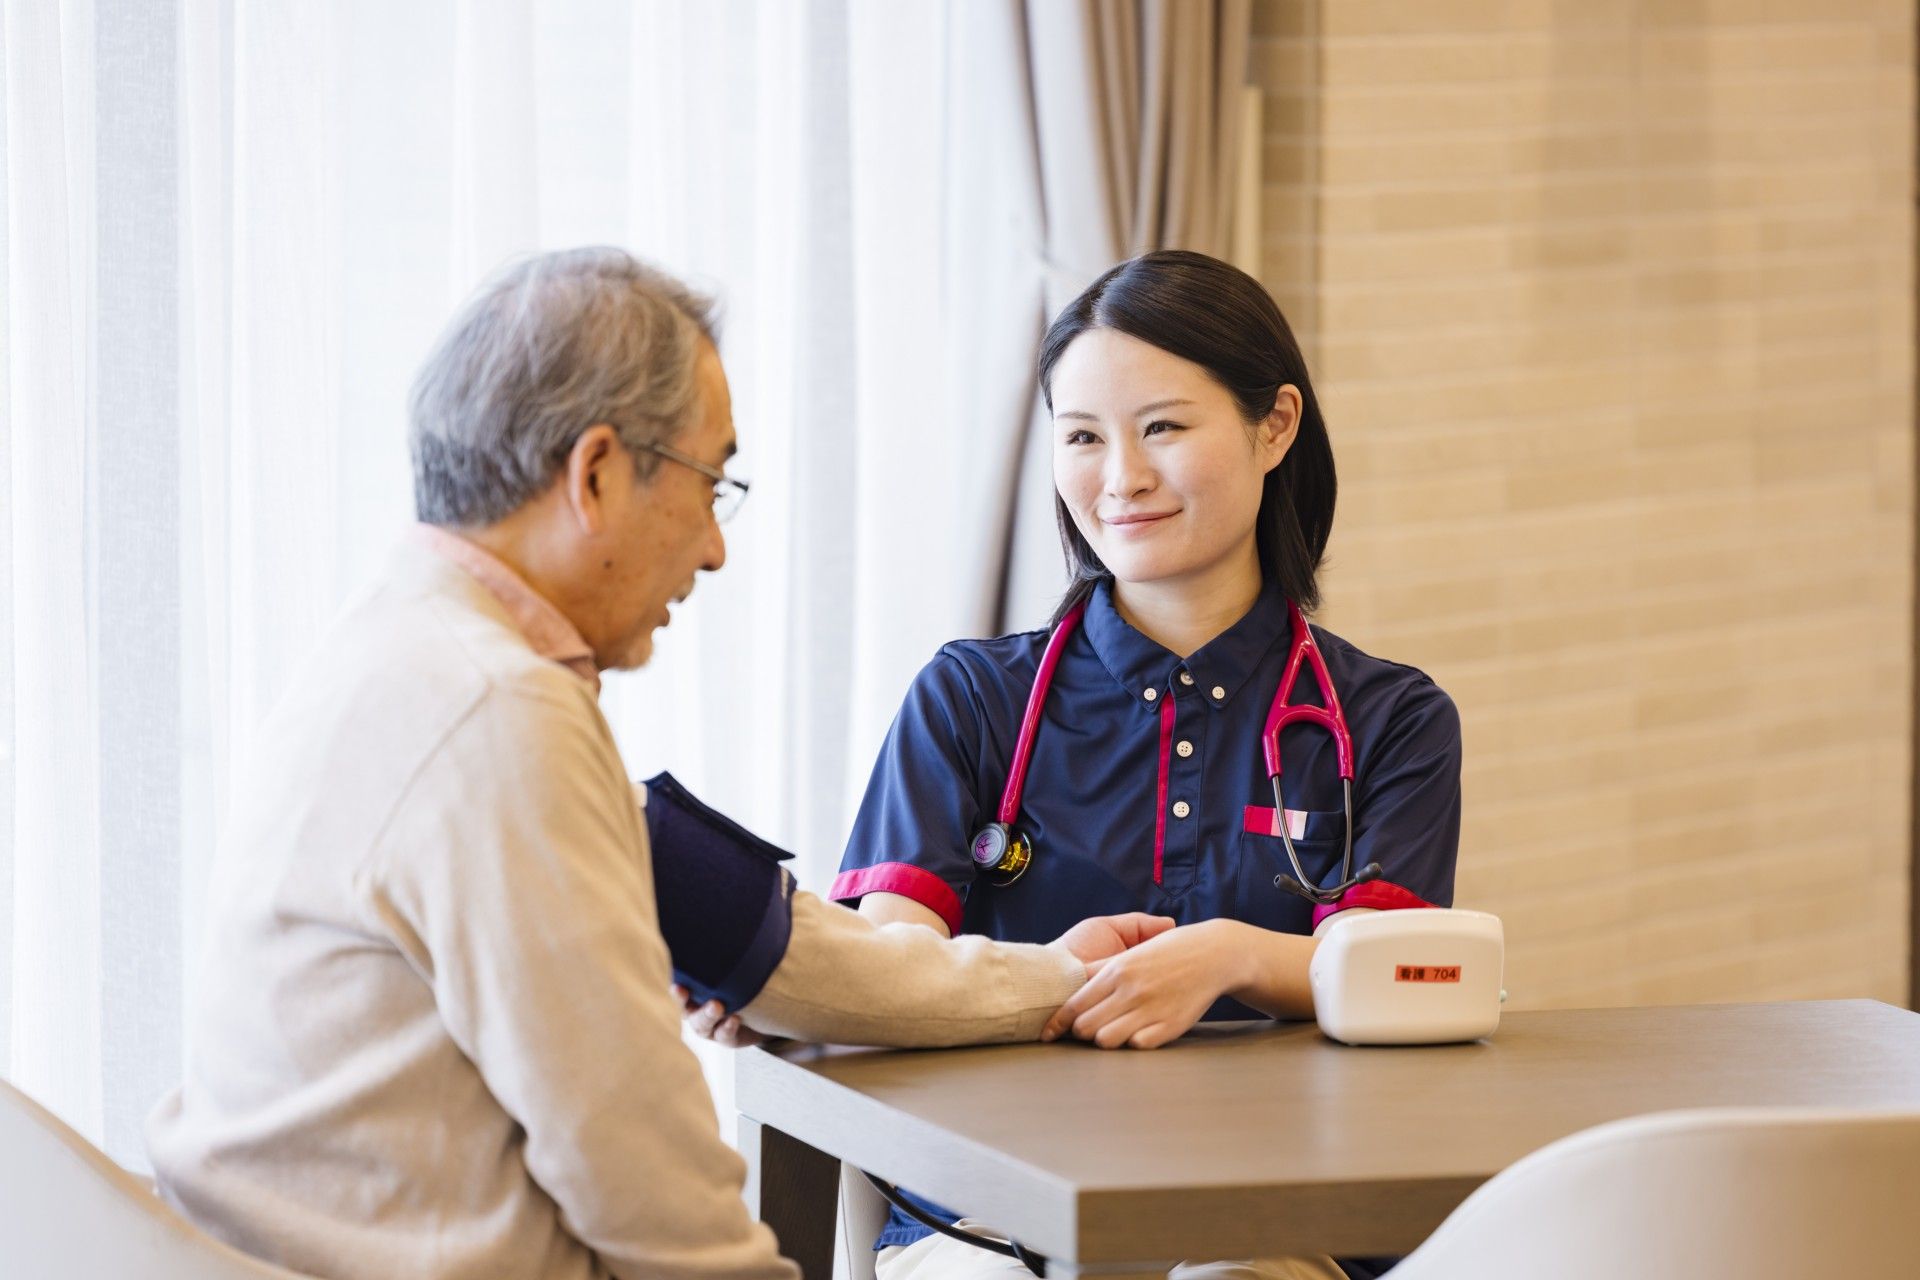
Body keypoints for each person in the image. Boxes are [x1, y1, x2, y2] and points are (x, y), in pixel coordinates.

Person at [146, 247, 1173, 1280]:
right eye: (712, 483)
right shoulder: (500, 716)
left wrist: (1057, 976)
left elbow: (790, 950)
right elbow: (644, 1175)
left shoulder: (403, 645)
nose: (715, 549)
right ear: (596, 474)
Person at [828, 250, 1463, 1280]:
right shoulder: (969, 701)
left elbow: (1398, 974)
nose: (1119, 477)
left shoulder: (1391, 722)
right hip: (993, 1219)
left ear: (1275, 426)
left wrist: (1232, 956)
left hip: (1276, 1209)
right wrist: (1044, 978)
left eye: (1162, 427)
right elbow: (883, 975)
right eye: (1082, 436)